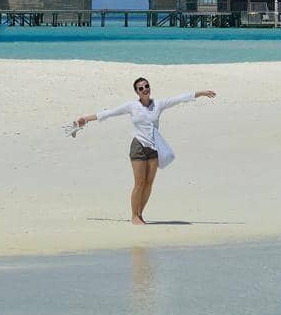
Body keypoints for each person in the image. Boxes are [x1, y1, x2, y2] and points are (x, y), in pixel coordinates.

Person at [73, 76, 217, 225]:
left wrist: (201, 93)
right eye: (141, 88)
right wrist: (86, 119)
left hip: (154, 148)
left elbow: (179, 98)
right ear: (137, 92)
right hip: (138, 147)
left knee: (149, 183)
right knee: (139, 183)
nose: (145, 89)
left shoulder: (158, 104)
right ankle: (134, 216)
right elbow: (110, 112)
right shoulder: (132, 106)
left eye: (146, 86)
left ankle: (140, 214)